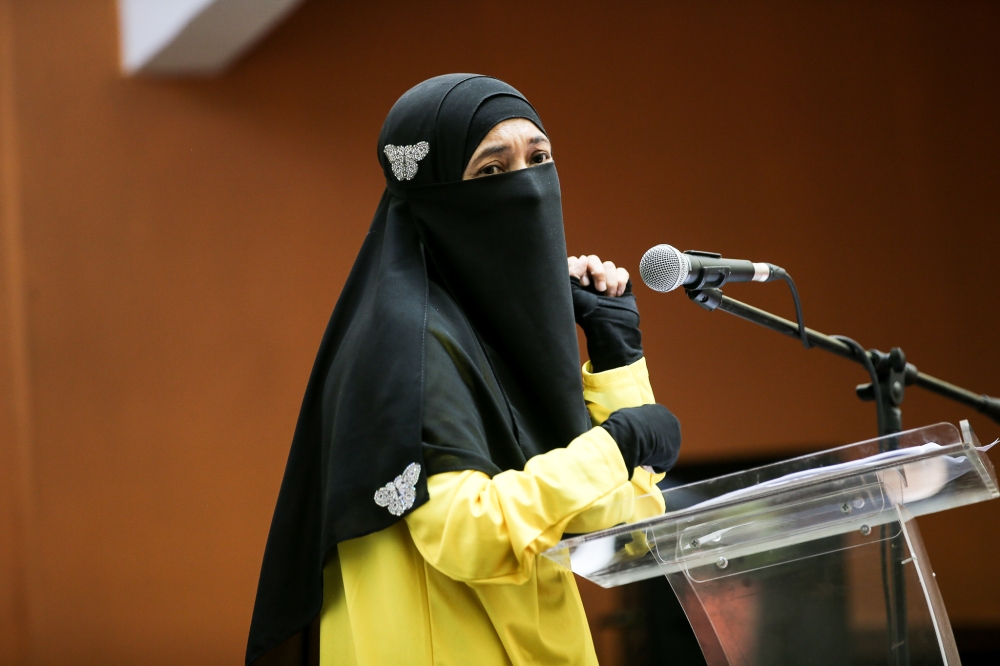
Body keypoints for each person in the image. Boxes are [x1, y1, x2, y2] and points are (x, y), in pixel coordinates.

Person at [246, 74, 682, 666]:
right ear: (436, 193)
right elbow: (466, 534)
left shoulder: (486, 333)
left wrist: (615, 357)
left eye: (539, 159)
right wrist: (619, 444)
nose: (526, 186)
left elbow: (610, 521)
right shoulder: (407, 342)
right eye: (491, 170)